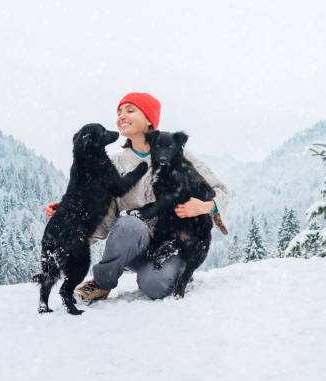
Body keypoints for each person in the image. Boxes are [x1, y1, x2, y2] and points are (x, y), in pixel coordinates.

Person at [44, 92, 229, 301]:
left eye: (130, 110)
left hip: (171, 245)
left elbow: (220, 190)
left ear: (150, 120)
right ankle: (101, 283)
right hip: (134, 243)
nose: (122, 116)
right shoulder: (113, 164)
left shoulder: (178, 155)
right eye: (119, 112)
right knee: (129, 224)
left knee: (155, 285)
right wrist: (70, 216)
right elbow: (102, 211)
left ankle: (174, 270)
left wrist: (205, 207)